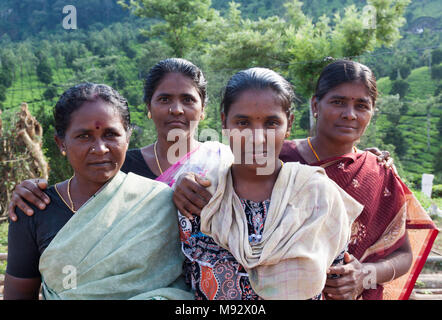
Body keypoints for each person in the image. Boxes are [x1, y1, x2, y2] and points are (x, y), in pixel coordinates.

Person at [174, 60, 439, 300]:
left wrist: (364, 275)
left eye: (361, 105)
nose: (349, 114)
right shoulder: (281, 157)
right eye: (338, 102)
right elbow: (230, 169)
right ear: (315, 105)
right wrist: (183, 181)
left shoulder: (373, 173)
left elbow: (403, 253)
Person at [4, 83, 192, 300]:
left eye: (111, 134)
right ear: (61, 143)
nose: (100, 148)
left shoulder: (161, 201)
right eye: (84, 136)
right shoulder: (34, 208)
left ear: (127, 138)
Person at [192, 67, 364, 299]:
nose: (258, 137)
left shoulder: (316, 195)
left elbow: (337, 285)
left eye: (271, 123)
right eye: (243, 123)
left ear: (289, 123)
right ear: (224, 122)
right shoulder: (200, 198)